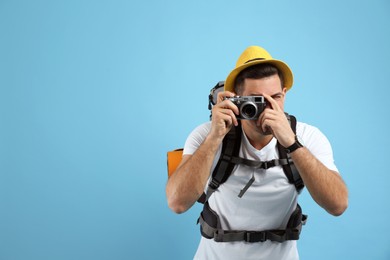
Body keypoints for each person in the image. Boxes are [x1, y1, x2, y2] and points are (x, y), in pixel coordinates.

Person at [166, 45, 348, 259]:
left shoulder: (307, 136)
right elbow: (177, 202)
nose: (267, 108)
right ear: (235, 98)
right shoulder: (208, 134)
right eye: (255, 100)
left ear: (285, 94)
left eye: (275, 97)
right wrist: (214, 137)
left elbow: (338, 205)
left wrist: (291, 143)